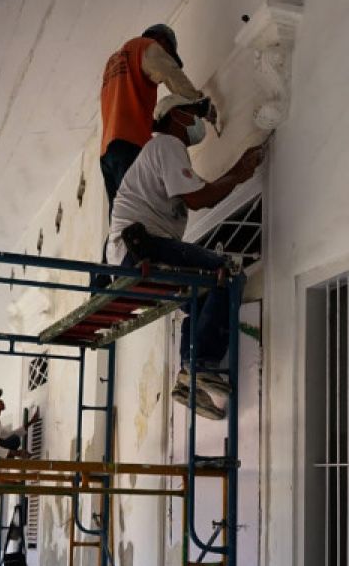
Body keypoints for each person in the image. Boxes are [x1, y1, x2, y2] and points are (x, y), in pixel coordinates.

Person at [107, 93, 264, 419]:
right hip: (139, 247)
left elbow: (203, 192)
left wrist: (235, 175)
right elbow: (199, 199)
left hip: (132, 252)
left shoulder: (164, 155)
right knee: (230, 271)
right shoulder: (167, 145)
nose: (198, 122)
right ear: (176, 115)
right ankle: (201, 366)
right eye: (195, 113)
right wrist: (240, 171)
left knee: (200, 299)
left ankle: (186, 378)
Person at [100, 23, 216, 213]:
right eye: (169, 54)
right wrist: (199, 103)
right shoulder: (146, 46)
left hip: (107, 152)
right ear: (162, 41)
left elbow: (124, 108)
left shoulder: (114, 62)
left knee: (120, 216)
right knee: (139, 211)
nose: (168, 58)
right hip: (130, 143)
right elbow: (171, 74)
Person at [0, 389, 40, 459]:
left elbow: (9, 434)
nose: (1, 401)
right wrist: (17, 453)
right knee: (15, 440)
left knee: (13, 438)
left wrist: (31, 422)